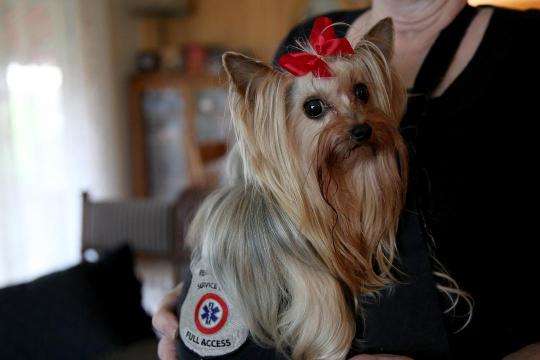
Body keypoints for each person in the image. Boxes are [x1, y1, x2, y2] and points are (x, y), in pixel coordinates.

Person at [153, 0, 540, 359]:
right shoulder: (300, 38)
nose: (355, 121)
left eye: (360, 93)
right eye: (316, 108)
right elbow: (263, 195)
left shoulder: (523, 42)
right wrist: (215, 284)